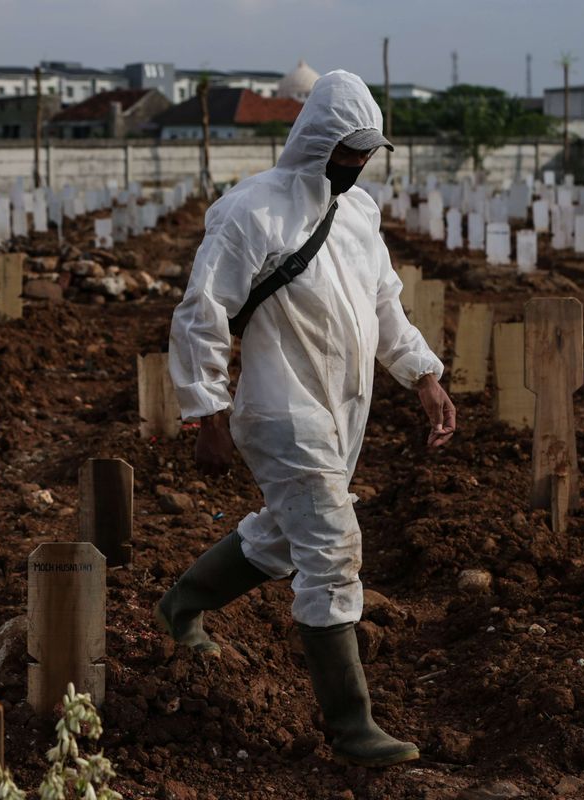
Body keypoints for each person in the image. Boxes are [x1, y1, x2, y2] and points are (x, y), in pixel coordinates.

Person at [158, 70, 456, 768]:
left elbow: (386, 307)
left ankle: (181, 604)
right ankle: (353, 727)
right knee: (330, 545)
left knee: (289, 535)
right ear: (318, 139)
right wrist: (206, 413)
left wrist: (425, 376)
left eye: (366, 153)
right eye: (347, 150)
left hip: (342, 408)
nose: (356, 164)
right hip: (277, 406)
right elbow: (201, 314)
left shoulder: (357, 216)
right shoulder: (251, 211)